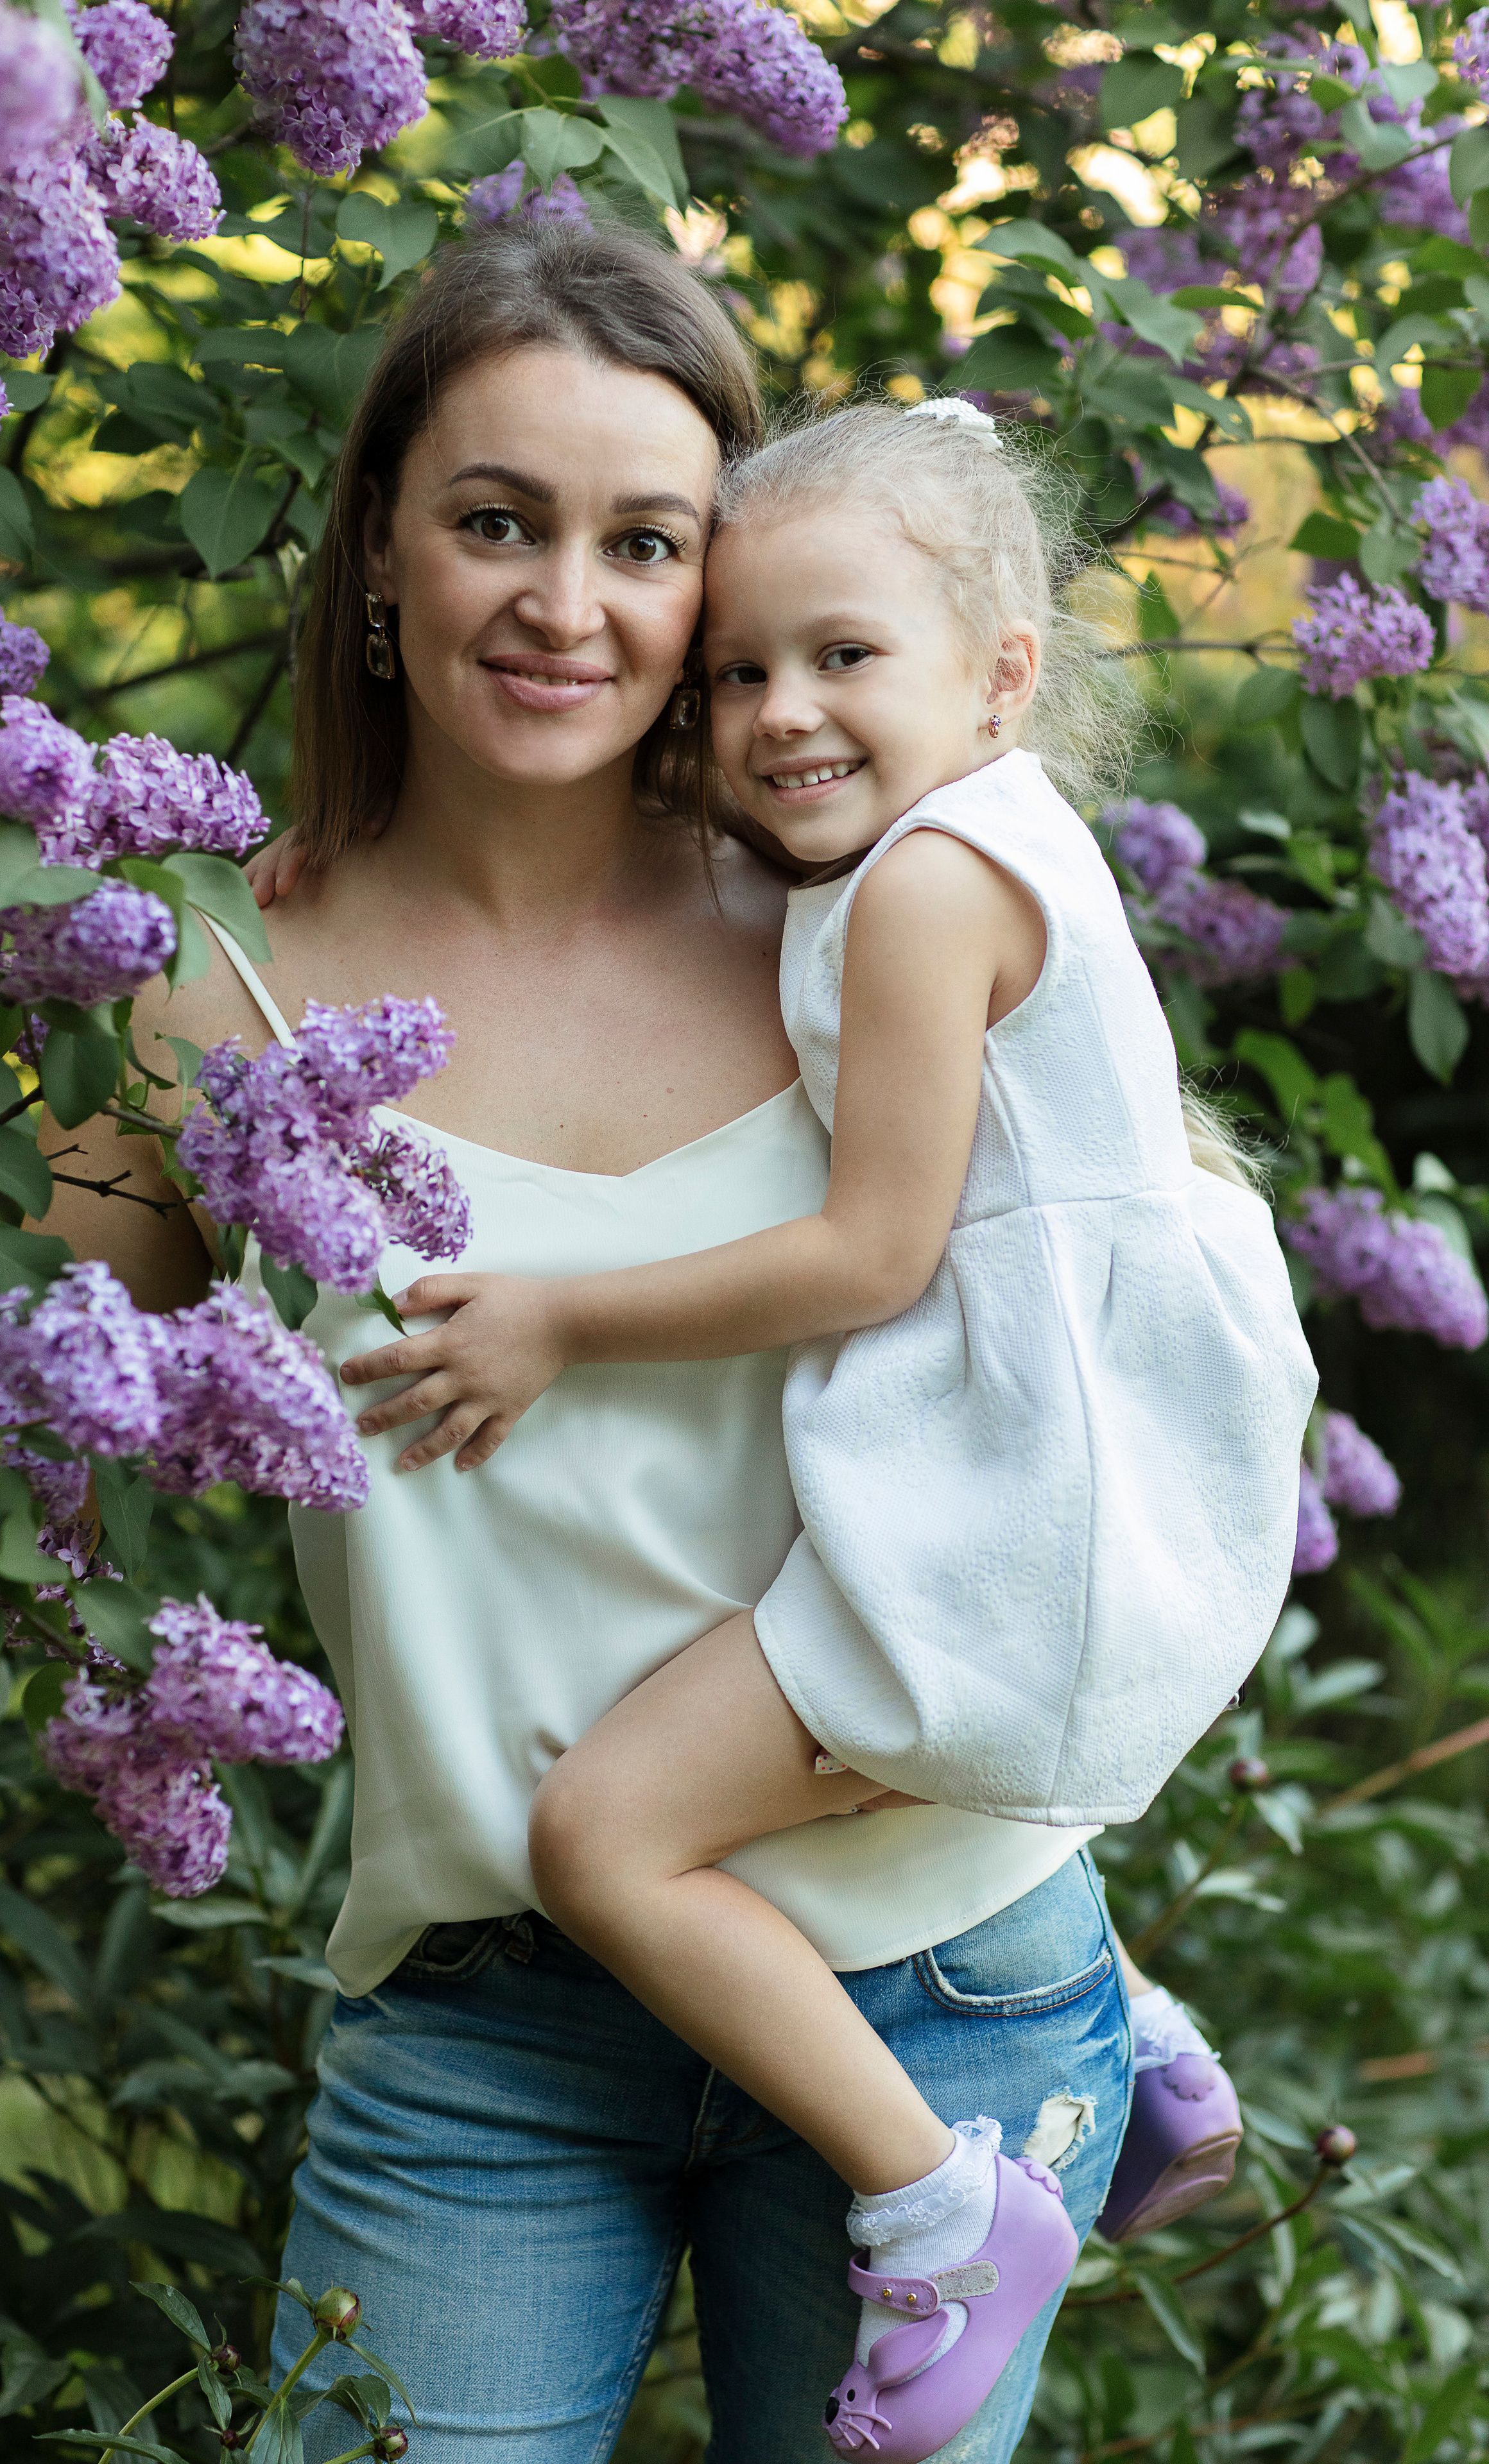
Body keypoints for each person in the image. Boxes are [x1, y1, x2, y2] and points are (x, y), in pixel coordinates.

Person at [46, 219, 1133, 2461]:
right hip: (481, 2026)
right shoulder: (199, 998)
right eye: (494, 523)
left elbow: (1110, 1344)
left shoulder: (854, 916)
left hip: (930, 1985)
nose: (567, 604)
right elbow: (2, 1411)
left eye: (645, 542)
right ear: (374, 549)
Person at [309, 397, 1317, 2458]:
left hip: (983, 1640)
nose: (777, 712)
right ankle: (1113, 2029)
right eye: (749, 666)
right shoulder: (944, 852)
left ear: (1002, 668)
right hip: (1029, 1541)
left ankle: (953, 2203)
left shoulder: (919, 893)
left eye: (840, 656)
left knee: (602, 1832)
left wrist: (564, 1322)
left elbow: (873, 1257)